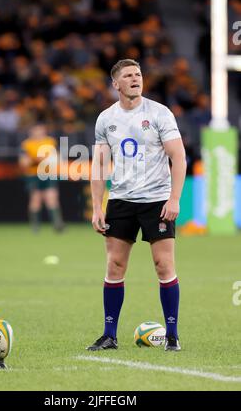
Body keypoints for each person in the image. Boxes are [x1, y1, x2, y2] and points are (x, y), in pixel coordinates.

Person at [88, 59, 186, 352]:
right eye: (128, 76)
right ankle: (109, 335)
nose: (135, 79)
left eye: (138, 74)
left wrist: (174, 198)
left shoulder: (159, 113)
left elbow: (178, 158)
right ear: (116, 84)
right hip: (120, 200)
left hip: (157, 200)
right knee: (115, 266)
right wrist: (97, 206)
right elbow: (100, 165)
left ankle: (172, 335)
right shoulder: (106, 119)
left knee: (163, 264)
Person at [19, 123, 64, 233]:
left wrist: (38, 160)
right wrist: (40, 159)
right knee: (35, 200)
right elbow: (24, 162)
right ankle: (35, 227)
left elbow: (57, 158)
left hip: (48, 175)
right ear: (32, 132)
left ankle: (58, 225)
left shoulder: (50, 142)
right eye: (36, 130)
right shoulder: (27, 144)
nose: (39, 133)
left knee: (52, 199)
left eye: (41, 130)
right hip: (33, 175)